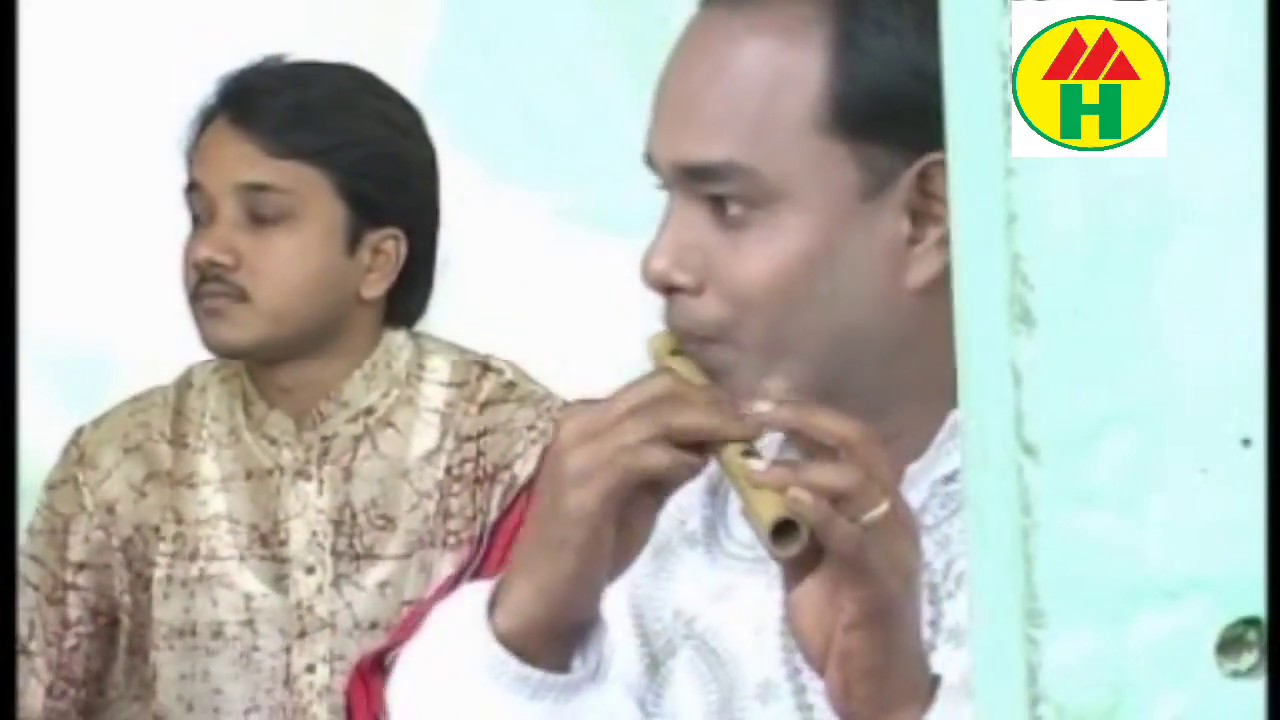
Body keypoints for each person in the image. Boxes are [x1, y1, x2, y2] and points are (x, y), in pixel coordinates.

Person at [350, 0, 970, 717]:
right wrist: (533, 628)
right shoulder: (655, 515)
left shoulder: (1071, 533)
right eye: (668, 196)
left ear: (926, 218)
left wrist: (894, 705)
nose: (662, 262)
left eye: (728, 206)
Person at [17, 56, 561, 720]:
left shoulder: (514, 451)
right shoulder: (120, 465)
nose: (209, 250)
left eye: (263, 216)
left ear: (377, 261)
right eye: (201, 215)